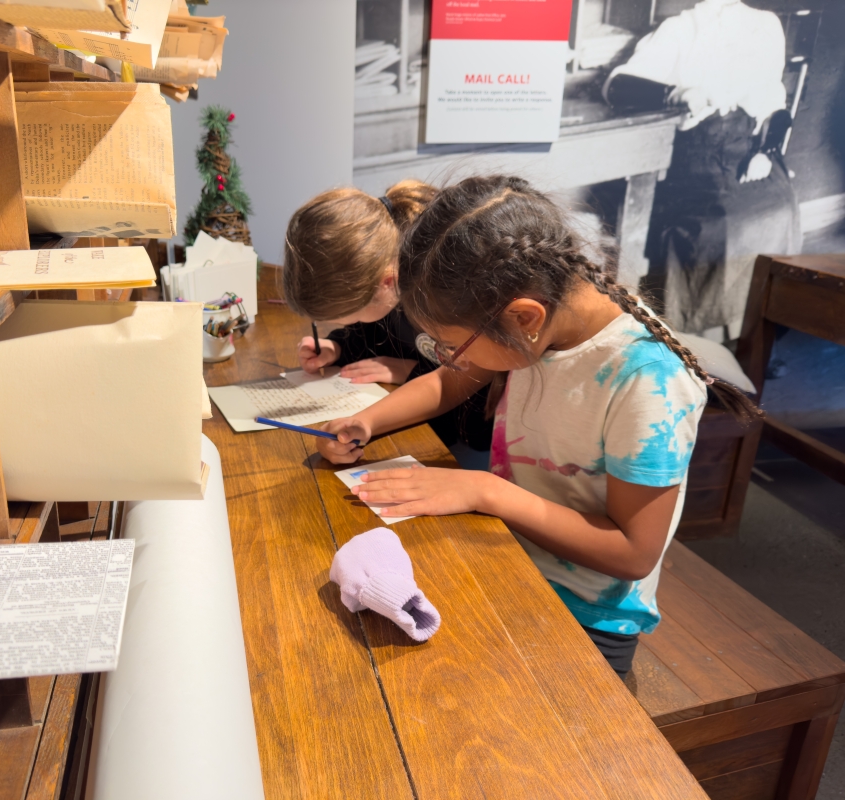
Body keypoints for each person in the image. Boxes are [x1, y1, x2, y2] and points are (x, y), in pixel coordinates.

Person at [316, 176, 761, 679]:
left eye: (451, 345)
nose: (448, 358)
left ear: (523, 317)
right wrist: (367, 421)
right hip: (512, 555)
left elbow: (634, 552)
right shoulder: (534, 326)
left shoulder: (647, 381)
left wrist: (485, 490)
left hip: (588, 617)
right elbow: (450, 382)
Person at [604, 0, 800, 341]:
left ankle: (753, 337)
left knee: (782, 209)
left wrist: (766, 152)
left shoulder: (766, 25)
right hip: (695, 154)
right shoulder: (681, 27)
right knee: (717, 226)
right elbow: (617, 85)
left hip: (749, 147)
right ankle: (699, 341)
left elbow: (775, 103)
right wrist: (677, 92)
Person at [282, 180, 494, 466]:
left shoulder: (449, 299)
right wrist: (338, 347)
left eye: (354, 314)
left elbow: (471, 387)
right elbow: (368, 333)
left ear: (387, 283)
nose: (355, 322)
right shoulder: (392, 285)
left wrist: (412, 370)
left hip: (474, 441)